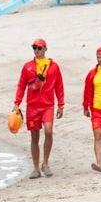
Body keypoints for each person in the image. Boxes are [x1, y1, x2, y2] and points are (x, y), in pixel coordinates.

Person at [13, 38, 65, 179]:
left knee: (48, 131)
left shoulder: (53, 66)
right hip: (32, 106)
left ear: (45, 49)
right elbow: (21, 86)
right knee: (34, 136)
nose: (36, 50)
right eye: (34, 48)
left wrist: (61, 104)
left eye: (39, 48)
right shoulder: (27, 67)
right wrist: (17, 103)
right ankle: (36, 168)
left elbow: (59, 86)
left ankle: (45, 163)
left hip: (48, 105)